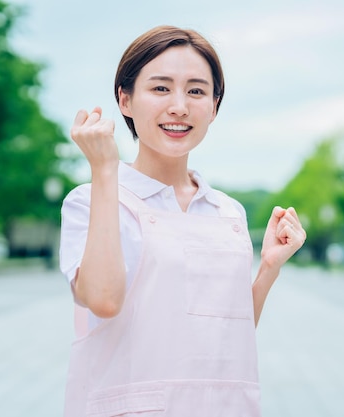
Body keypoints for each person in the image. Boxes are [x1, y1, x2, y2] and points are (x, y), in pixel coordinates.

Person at [59, 25, 306, 417]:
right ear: (125, 99)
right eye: (160, 88)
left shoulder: (228, 212)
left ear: (214, 105)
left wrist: (268, 270)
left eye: (196, 90)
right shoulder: (90, 200)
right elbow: (103, 301)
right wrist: (104, 171)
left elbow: (228, 333)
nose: (179, 106)